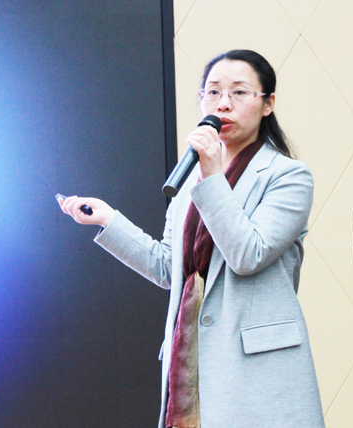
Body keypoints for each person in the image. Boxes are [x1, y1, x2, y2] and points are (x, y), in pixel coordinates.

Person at [58, 49, 325, 428]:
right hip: (192, 359)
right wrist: (110, 220)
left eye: (239, 92)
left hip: (257, 370)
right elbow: (169, 269)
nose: (223, 104)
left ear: (268, 104)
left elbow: (248, 255)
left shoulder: (288, 176)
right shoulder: (191, 181)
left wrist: (212, 174)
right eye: (212, 92)